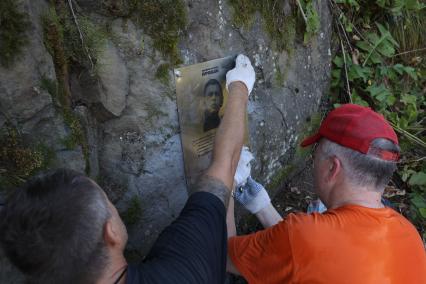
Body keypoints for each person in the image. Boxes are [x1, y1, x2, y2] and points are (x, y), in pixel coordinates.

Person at [0, 54, 256, 284]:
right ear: (110, 232)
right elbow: (224, 165)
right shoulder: (182, 268)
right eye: (107, 202)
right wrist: (240, 86)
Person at [226, 104, 426, 283]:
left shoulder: (305, 236)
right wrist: (261, 205)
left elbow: (219, 255)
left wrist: (225, 178)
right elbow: (311, 259)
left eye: (316, 155)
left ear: (332, 168)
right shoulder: (410, 236)